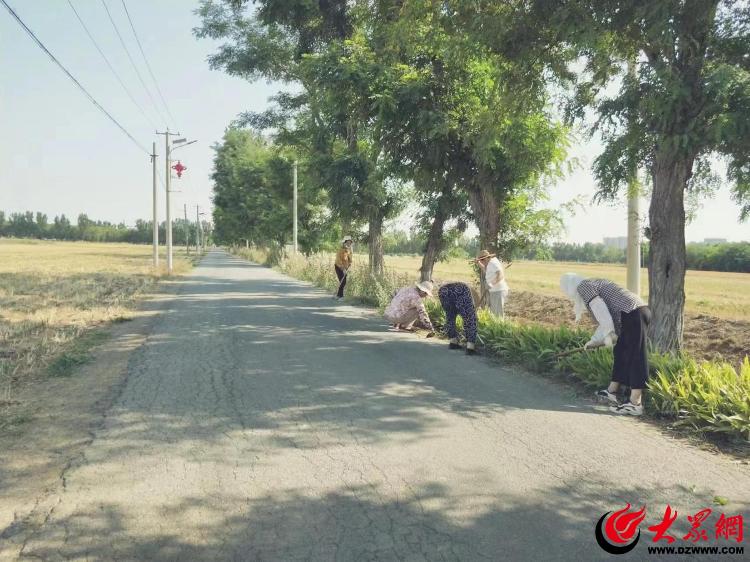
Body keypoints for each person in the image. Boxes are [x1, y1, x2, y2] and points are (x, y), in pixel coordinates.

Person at [560, 273, 652, 416]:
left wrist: (608, 333)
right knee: (621, 352)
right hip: (633, 313)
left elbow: (600, 310)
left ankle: (635, 403)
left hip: (633, 312)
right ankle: (611, 391)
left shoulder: (584, 287)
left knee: (636, 355)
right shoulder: (592, 284)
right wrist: (594, 340)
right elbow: (604, 316)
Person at [438, 282, 478, 355]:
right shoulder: (470, 293)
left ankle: (453, 342)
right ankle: (470, 347)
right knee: (470, 318)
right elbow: (472, 311)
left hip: (443, 289)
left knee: (450, 316)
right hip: (461, 289)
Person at [476, 250, 509, 319]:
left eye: (482, 260)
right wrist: (478, 263)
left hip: (498, 290)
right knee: (494, 312)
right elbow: (486, 270)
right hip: (494, 291)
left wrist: (491, 284)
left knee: (498, 314)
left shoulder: (493, 263)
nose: (481, 262)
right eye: (480, 261)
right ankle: (496, 326)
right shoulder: (489, 264)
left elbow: (500, 275)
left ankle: (500, 328)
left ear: (485, 259)